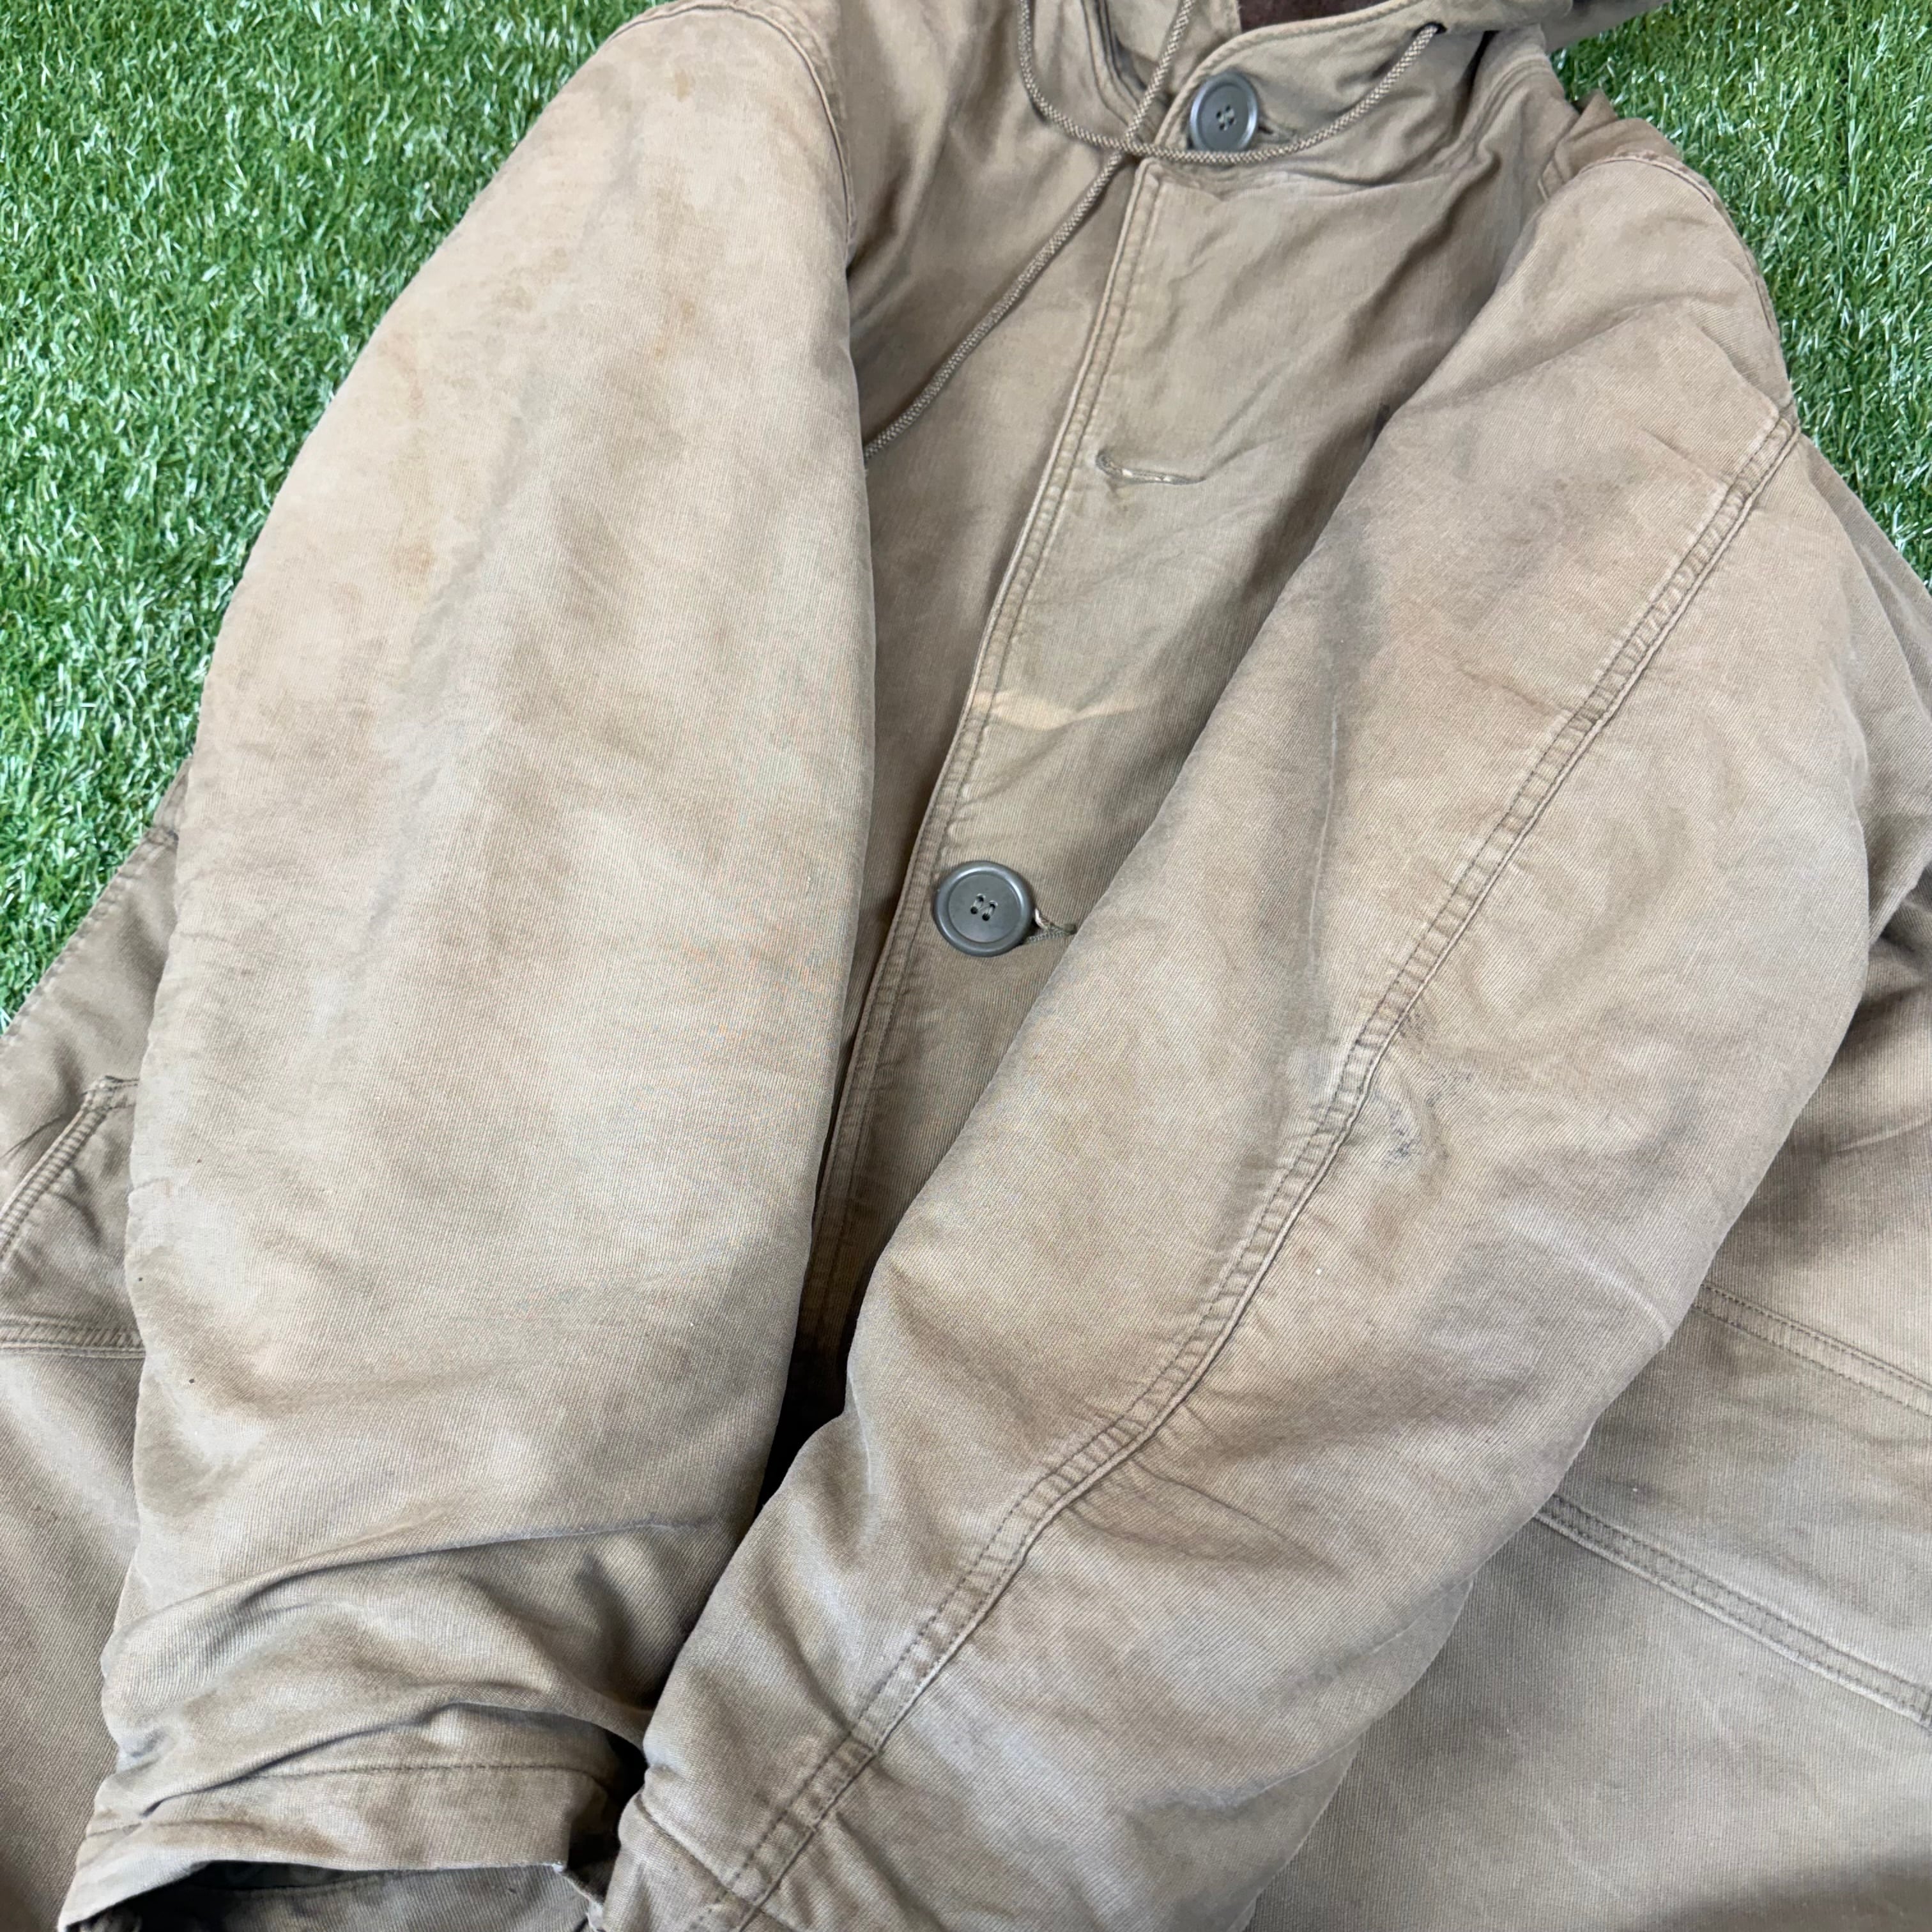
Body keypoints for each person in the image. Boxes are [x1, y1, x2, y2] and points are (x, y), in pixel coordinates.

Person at [5, 1, 1928, 1927]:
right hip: (217, 1633)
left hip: (1451, 1756)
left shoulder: (1659, 383)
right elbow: (499, 769)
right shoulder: (787, 88)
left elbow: (1467, 1099)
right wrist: (372, 1750)